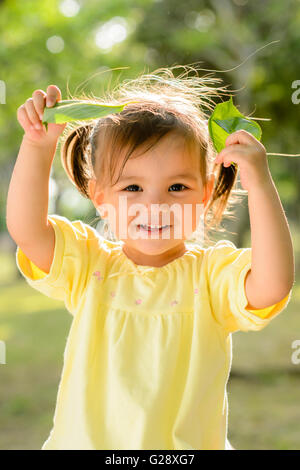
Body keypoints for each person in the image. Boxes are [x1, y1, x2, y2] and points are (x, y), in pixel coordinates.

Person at [6, 65, 294, 450]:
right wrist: (37, 147)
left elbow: (273, 284)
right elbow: (27, 231)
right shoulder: (92, 265)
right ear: (100, 197)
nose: (155, 204)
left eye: (177, 186)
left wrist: (258, 180)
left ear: (205, 192)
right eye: (133, 187)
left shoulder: (210, 278)